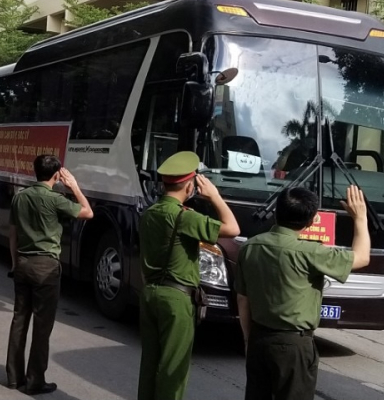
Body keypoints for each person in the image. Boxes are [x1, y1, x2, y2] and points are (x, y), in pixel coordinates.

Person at [236, 186, 370, 400]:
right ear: (310, 221)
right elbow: (362, 257)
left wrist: (248, 339)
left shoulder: (250, 247)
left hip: (259, 339)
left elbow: (243, 299)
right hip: (293, 345)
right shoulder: (310, 252)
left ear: (277, 212)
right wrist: (360, 218)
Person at [138, 151, 241, 400]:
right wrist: (215, 196)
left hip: (150, 293)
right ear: (190, 185)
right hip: (176, 299)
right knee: (174, 369)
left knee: (150, 364)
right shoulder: (185, 217)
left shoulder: (150, 212)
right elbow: (233, 228)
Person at [6, 156, 94, 395]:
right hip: (46, 267)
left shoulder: (20, 197)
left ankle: (14, 376)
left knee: (19, 320)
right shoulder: (56, 200)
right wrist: (74, 186)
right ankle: (35, 380)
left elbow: (12, 234)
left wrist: (15, 263)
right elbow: (88, 213)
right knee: (42, 325)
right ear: (57, 176)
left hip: (22, 262)